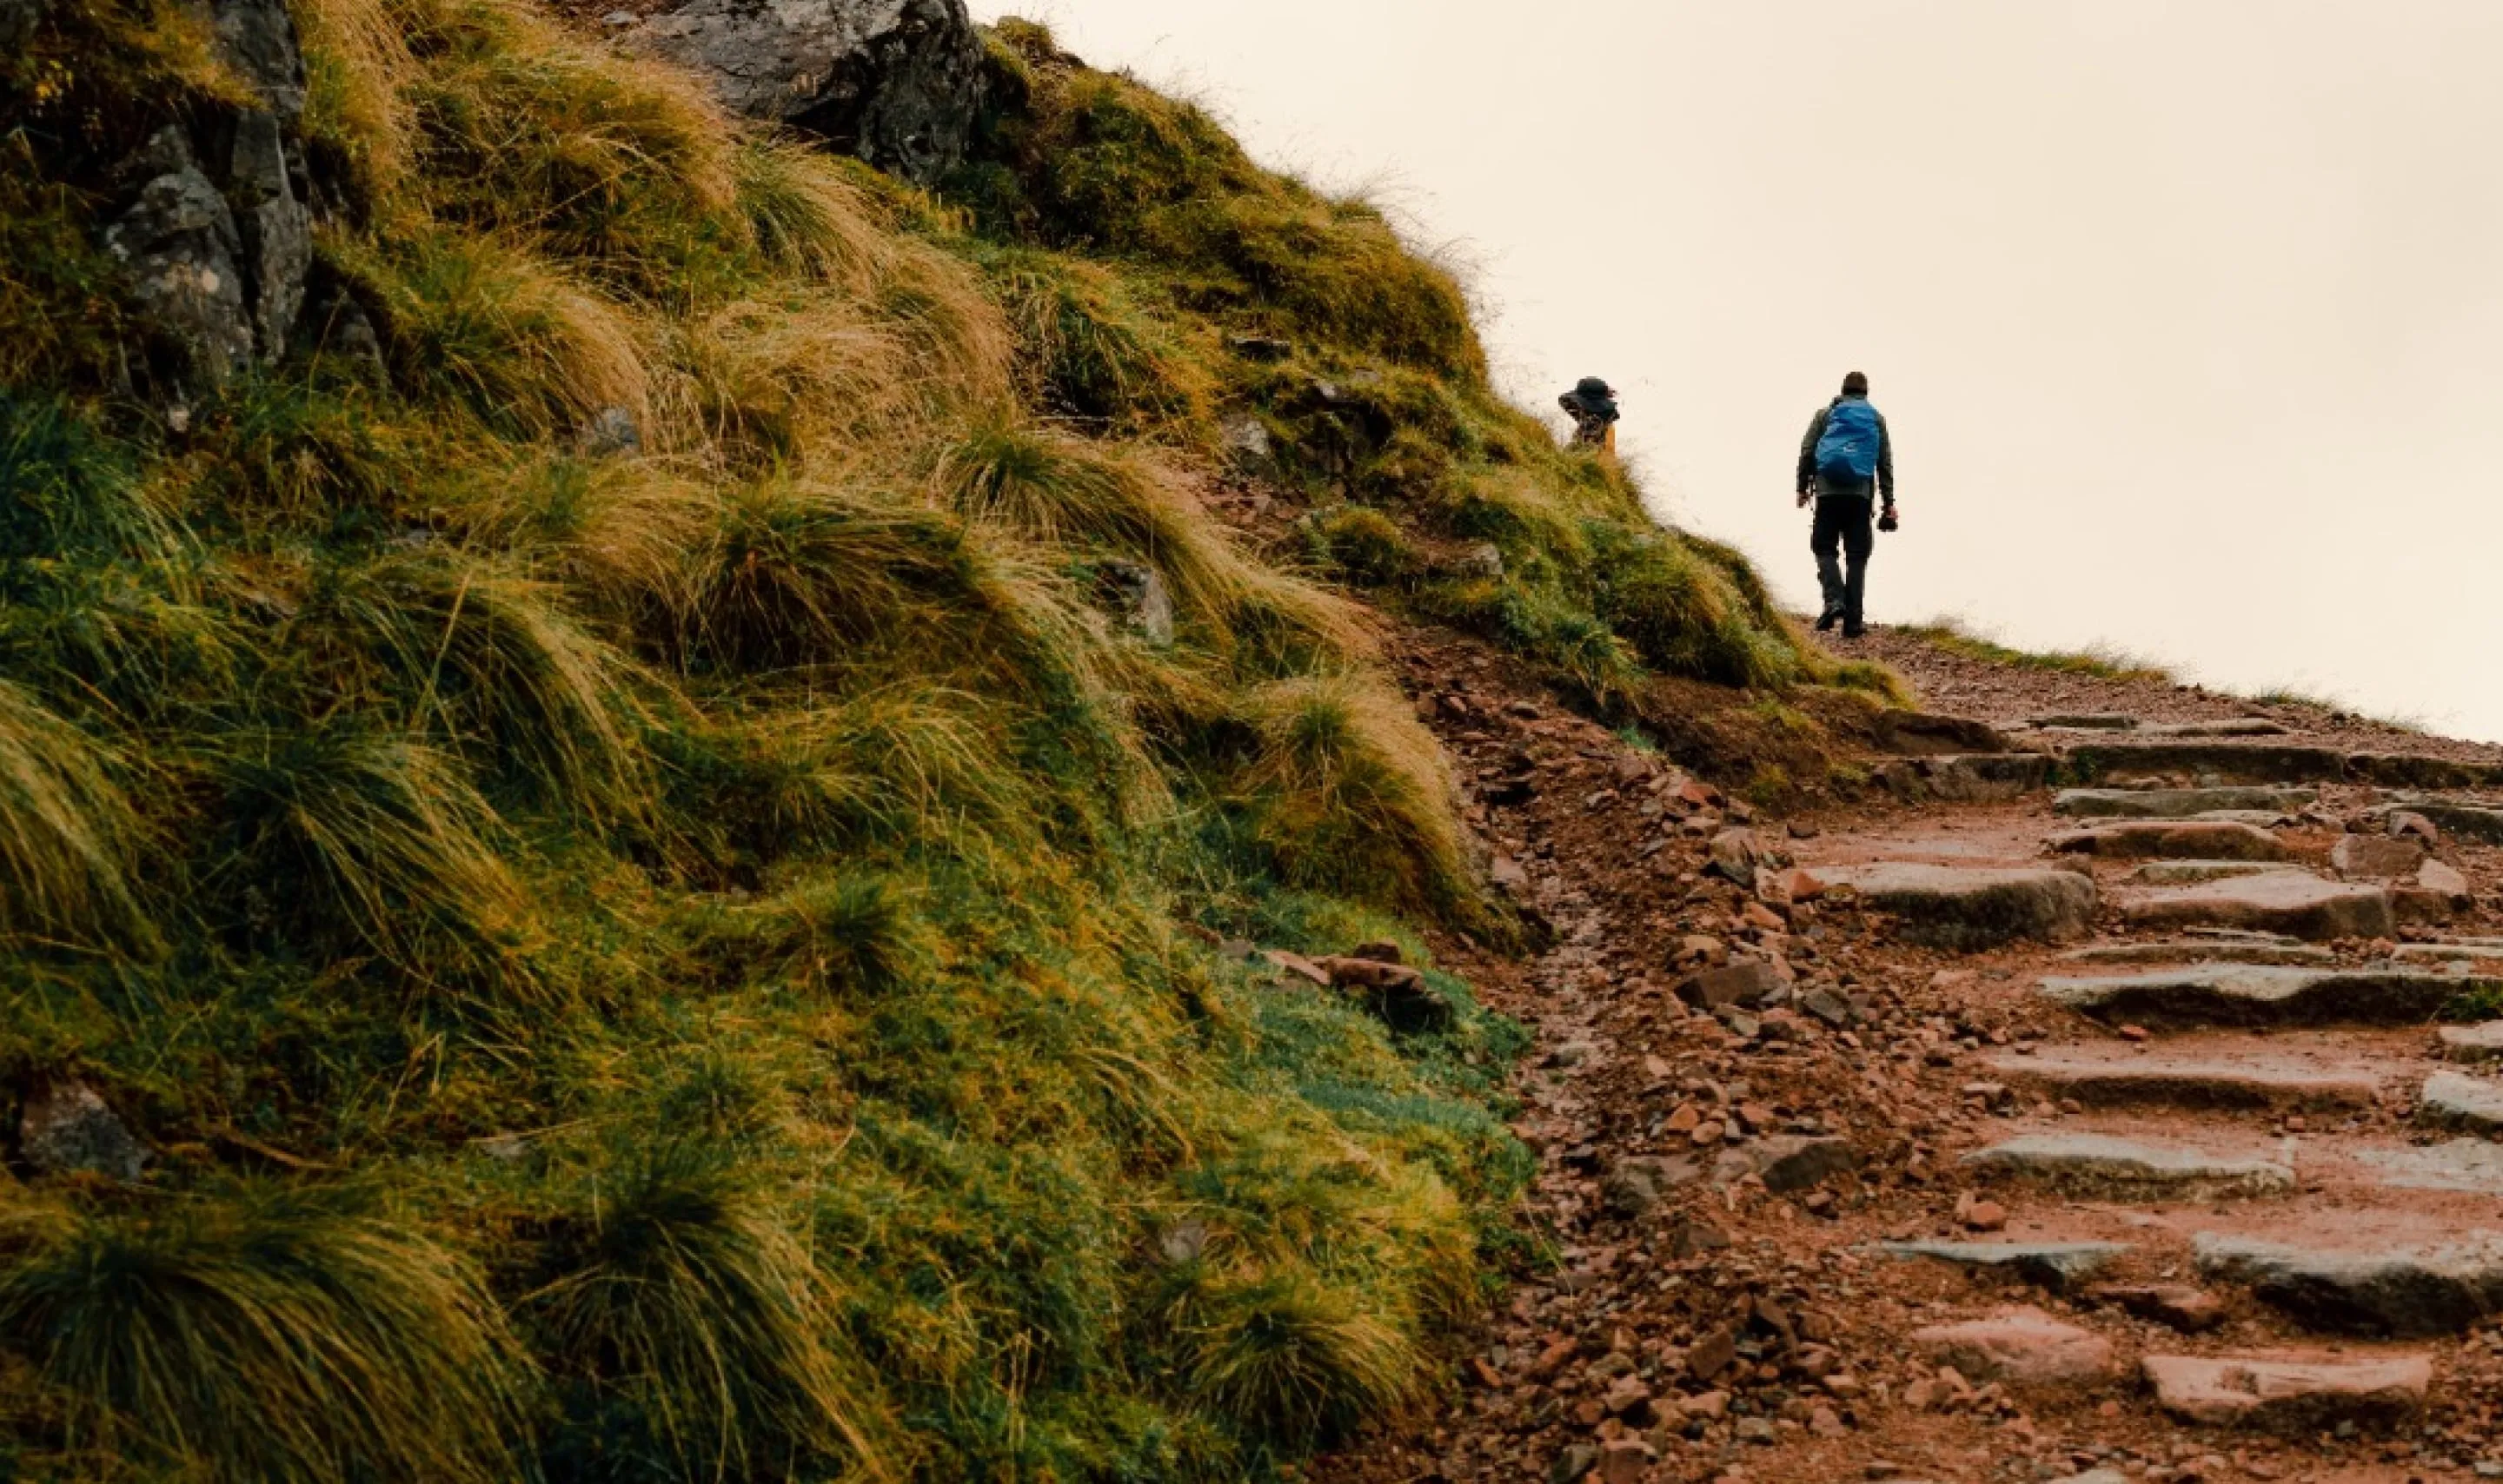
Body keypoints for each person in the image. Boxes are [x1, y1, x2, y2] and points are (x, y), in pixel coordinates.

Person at [1794, 370, 1897, 638]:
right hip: (1860, 496)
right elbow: (1884, 462)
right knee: (1857, 556)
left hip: (1827, 493)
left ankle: (1834, 599)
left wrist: (1801, 488)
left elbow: (1807, 451)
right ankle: (1853, 623)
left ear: (1842, 391)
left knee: (1823, 546)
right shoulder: (1876, 418)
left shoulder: (1825, 415)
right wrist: (1889, 502)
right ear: (1866, 394)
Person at [1559, 376, 1620, 451]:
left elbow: (1580, 450)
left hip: (1592, 455)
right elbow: (1564, 401)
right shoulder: (1594, 416)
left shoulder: (1595, 422)